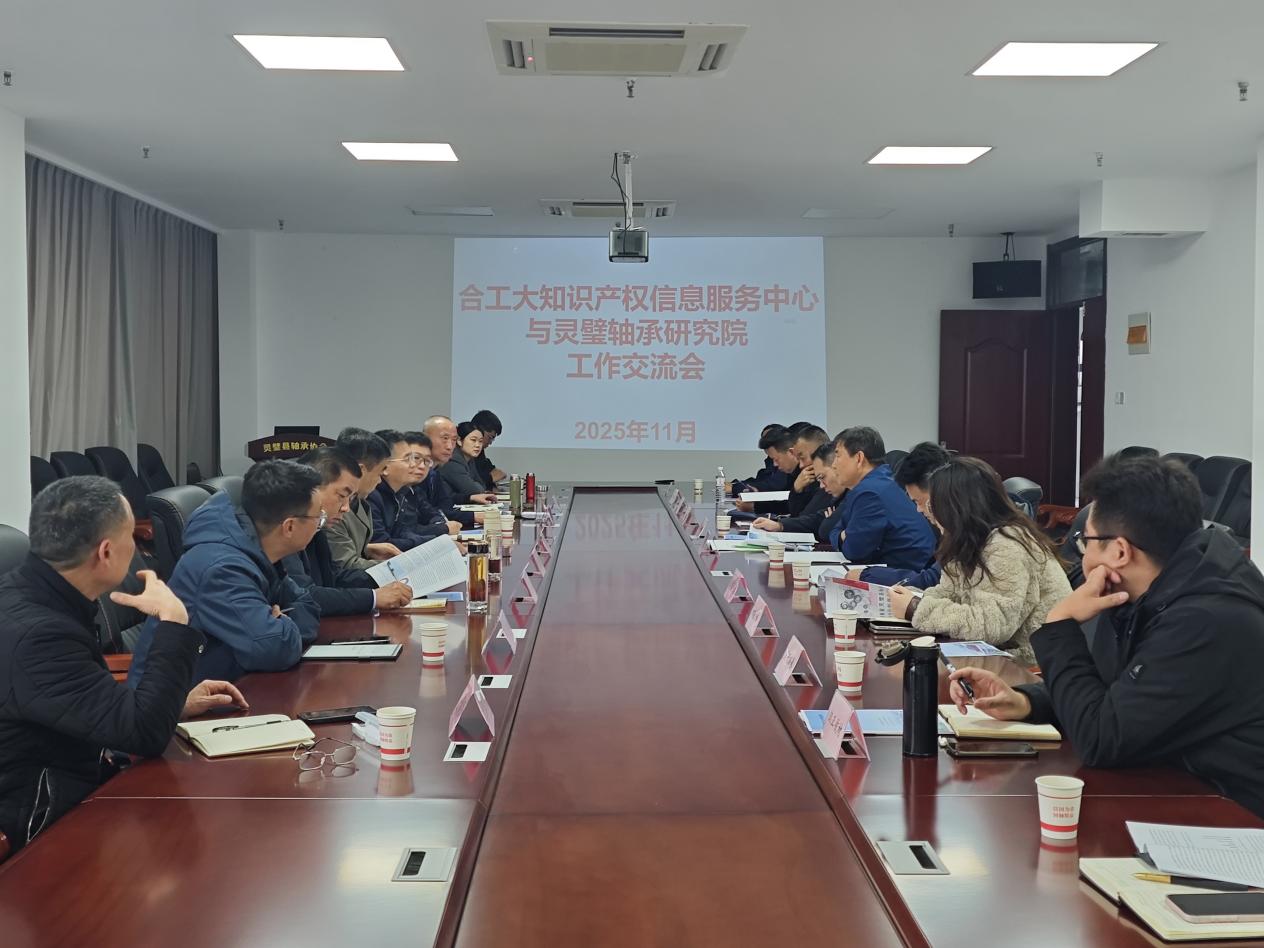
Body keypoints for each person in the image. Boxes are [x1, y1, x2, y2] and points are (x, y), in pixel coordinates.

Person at [948, 454, 1264, 818]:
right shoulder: (1163, 586)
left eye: (1086, 541)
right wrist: (1027, 701)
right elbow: (1115, 691)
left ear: (1119, 551)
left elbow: (1101, 739)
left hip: (1233, 816)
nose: (1081, 555)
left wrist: (1059, 624)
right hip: (1175, 785)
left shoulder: (1206, 619)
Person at [0, 477, 246, 852]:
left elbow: (73, 699)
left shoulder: (34, 593)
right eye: (130, 537)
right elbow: (146, 734)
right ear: (106, 552)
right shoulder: (40, 635)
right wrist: (174, 621)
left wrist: (172, 702)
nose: (137, 549)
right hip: (41, 827)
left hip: (80, 778)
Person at [128, 460, 322, 683]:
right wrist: (283, 625)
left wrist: (280, 623)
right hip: (177, 699)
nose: (320, 524)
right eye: (318, 517)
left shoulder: (258, 553)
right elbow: (276, 648)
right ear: (289, 526)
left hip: (230, 684)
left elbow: (309, 607)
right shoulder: (222, 568)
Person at [887, 457, 1071, 666]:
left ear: (957, 505)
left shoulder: (1007, 543)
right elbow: (949, 591)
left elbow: (994, 625)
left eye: (932, 503)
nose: (923, 510)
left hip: (1034, 662)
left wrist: (916, 609)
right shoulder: (968, 539)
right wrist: (912, 599)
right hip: (995, 653)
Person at [284, 447, 411, 616]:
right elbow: (305, 595)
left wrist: (388, 577)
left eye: (350, 498)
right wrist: (373, 597)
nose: (346, 508)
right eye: (341, 496)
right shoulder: (284, 528)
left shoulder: (318, 527)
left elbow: (333, 578)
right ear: (312, 489)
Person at [827, 426, 936, 570]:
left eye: (838, 456)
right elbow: (837, 527)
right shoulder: (878, 481)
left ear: (859, 458)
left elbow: (854, 550)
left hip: (908, 574)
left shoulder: (869, 491)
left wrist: (842, 536)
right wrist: (842, 535)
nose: (833, 465)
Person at [857, 441, 950, 589]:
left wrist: (866, 575)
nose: (918, 510)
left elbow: (931, 579)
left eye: (919, 501)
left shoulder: (963, 528)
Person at [325, 427, 403, 572]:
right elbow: (345, 566)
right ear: (361, 470)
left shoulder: (360, 500)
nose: (379, 481)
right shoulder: (332, 509)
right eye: (379, 473)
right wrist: (399, 566)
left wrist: (367, 549)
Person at [369, 430, 457, 550]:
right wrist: (438, 541)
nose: (415, 465)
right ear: (384, 466)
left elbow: (403, 532)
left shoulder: (401, 492)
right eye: (408, 459)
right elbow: (383, 545)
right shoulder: (371, 495)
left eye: (426, 461)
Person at [751, 425, 834, 534]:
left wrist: (780, 525)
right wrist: (796, 490)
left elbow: (807, 518)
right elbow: (800, 516)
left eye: (802, 457)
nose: (801, 465)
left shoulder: (831, 484)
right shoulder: (808, 476)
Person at [420, 415, 482, 527]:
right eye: (444, 438)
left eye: (453, 440)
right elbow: (428, 514)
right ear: (425, 439)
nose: (449, 446)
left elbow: (445, 506)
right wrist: (473, 516)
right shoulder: (416, 474)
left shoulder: (435, 472)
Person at [435, 416, 496, 505]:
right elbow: (474, 490)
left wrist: (476, 486)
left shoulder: (469, 459)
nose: (477, 445)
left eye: (480, 441)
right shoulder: (452, 460)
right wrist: (475, 485)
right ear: (459, 441)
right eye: (473, 440)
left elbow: (482, 485)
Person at [731, 423, 792, 496]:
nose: (775, 464)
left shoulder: (792, 468)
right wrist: (736, 484)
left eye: (770, 437)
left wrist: (734, 487)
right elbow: (761, 481)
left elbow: (775, 485)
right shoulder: (770, 462)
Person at [470, 409, 506, 489]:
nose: (490, 443)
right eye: (490, 437)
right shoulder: (457, 455)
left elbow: (498, 473)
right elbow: (471, 483)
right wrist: (490, 479)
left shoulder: (480, 451)